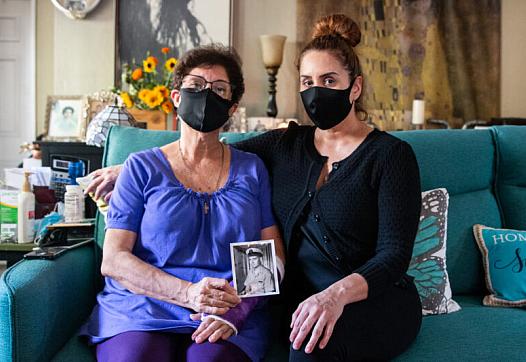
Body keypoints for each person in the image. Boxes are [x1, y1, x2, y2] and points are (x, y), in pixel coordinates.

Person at [86, 14, 422, 361]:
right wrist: (131, 167)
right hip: (295, 301)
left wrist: (331, 297)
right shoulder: (284, 145)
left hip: (370, 297)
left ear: (355, 87)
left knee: (305, 352)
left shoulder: (391, 156)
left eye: (329, 80)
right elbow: (209, 151)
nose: (316, 91)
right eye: (307, 81)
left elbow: (394, 255)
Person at [80, 44, 286, 362]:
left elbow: (269, 255)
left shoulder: (251, 169)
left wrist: (237, 310)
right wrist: (187, 293)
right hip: (143, 305)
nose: (206, 96)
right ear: (176, 97)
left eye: (219, 89)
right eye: (195, 87)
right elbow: (114, 259)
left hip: (224, 307)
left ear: (232, 108)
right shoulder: (140, 167)